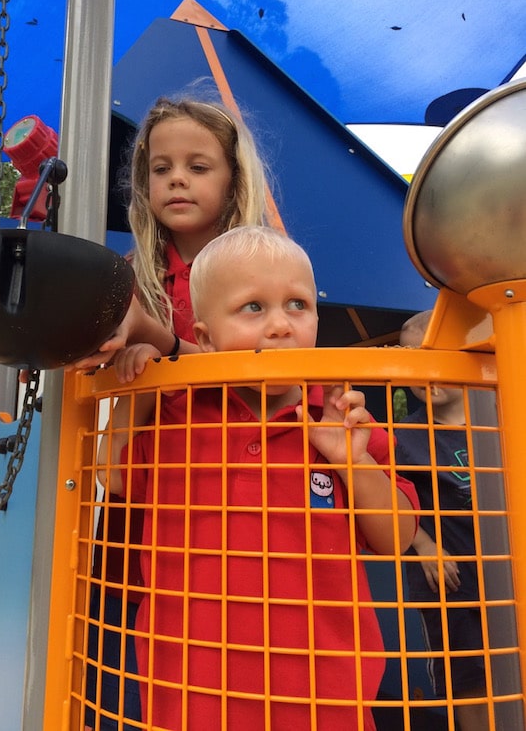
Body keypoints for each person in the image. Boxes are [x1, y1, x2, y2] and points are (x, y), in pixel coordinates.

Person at [98, 226, 419, 730]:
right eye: (253, 308)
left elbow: (398, 536)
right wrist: (142, 387)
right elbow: (111, 473)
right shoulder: (180, 416)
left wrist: (352, 463)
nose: (280, 325)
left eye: (297, 305)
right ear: (204, 338)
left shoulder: (339, 414)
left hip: (324, 698)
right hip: (194, 694)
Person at [83, 96, 272, 730]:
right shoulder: (134, 276)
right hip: (148, 486)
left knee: (233, 648)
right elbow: (112, 370)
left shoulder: (260, 267)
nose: (177, 180)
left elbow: (260, 382)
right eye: (161, 169)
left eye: (198, 166)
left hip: (235, 489)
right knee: (124, 651)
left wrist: (160, 343)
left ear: (234, 178)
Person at [396, 310, 490, 731]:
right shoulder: (404, 436)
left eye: (437, 354)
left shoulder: (501, 419)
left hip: (507, 573)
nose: (426, 368)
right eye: (413, 358)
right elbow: (392, 496)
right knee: (467, 683)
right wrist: (425, 546)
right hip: (450, 581)